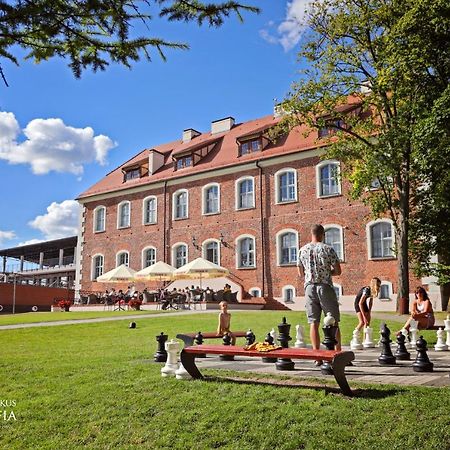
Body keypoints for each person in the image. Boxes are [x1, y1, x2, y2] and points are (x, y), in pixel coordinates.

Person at [297, 224, 342, 365]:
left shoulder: (302, 250)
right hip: (325, 286)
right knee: (333, 321)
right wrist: (328, 272)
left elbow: (300, 273)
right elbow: (338, 271)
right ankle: (338, 352)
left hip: (309, 288)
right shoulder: (328, 249)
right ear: (323, 234)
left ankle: (317, 357)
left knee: (313, 322)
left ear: (311, 234)